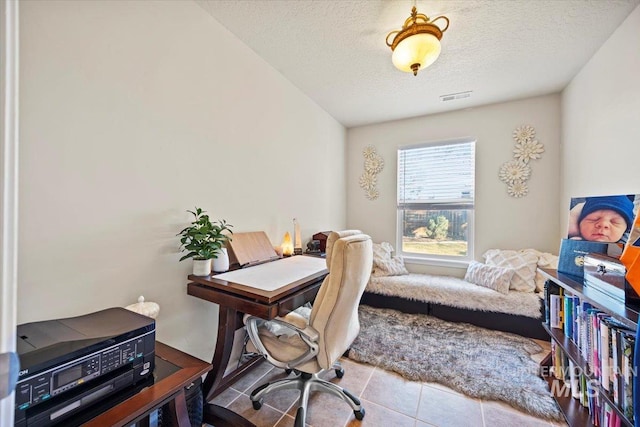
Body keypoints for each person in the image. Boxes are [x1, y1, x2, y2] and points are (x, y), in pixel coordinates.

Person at [568, 195, 635, 243]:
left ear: (625, 230)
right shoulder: (569, 238)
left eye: (614, 222)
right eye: (594, 219)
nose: (603, 224)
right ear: (579, 222)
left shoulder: (629, 245)